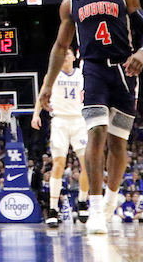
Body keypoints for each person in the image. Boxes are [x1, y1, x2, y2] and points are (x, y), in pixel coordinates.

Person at [38, 0, 143, 235]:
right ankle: (94, 208)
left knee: (118, 143)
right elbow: (61, 47)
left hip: (125, 71)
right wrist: (47, 86)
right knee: (95, 133)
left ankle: (110, 202)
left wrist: (141, 53)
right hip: (92, 71)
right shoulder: (70, 3)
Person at [32, 47, 90, 226]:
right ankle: (53, 209)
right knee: (58, 165)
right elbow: (42, 94)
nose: (65, 56)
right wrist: (36, 115)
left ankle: (82, 201)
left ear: (74, 57)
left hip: (79, 120)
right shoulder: (52, 75)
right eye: (63, 54)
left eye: (68, 54)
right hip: (59, 121)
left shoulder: (82, 74)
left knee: (87, 164)